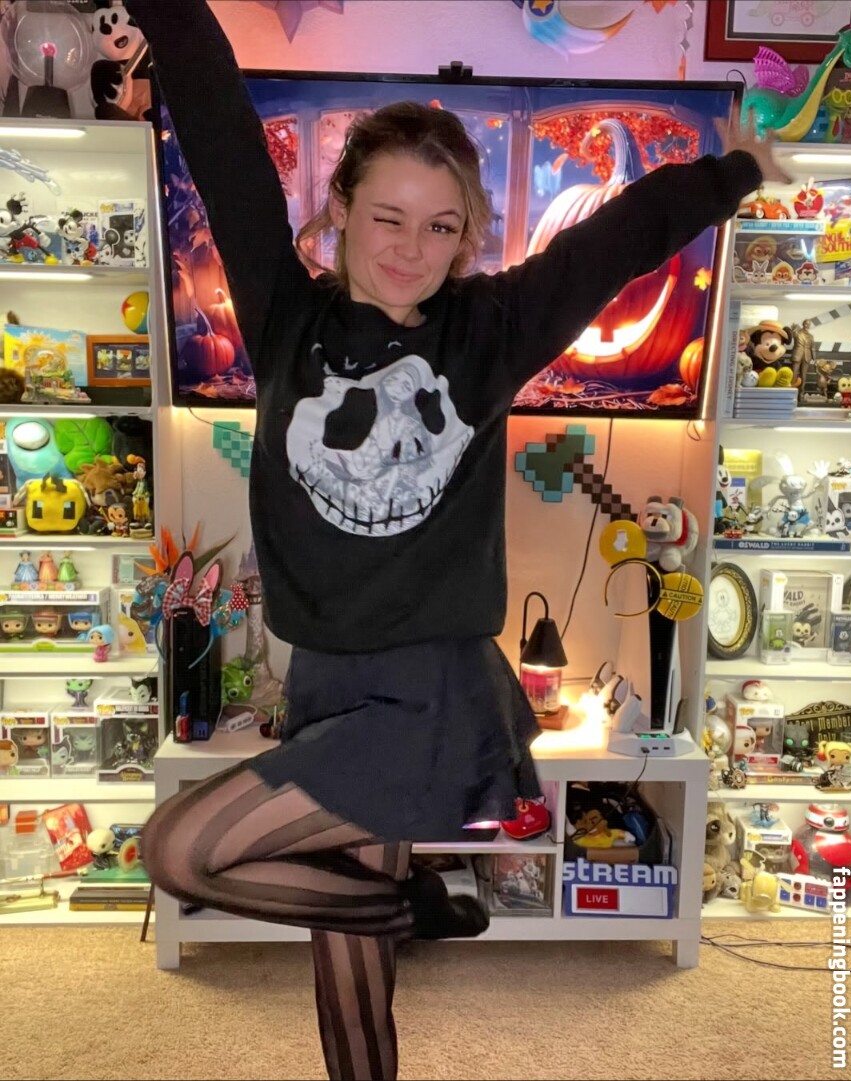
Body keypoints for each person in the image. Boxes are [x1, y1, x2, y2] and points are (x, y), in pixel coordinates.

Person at [127, 2, 788, 1078]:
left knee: (181, 850)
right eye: (389, 217)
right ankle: (401, 914)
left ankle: (408, 906)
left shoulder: (489, 330)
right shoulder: (288, 316)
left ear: (466, 234)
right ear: (341, 210)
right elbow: (217, 126)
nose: (412, 249)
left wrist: (735, 171)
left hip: (430, 693)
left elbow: (614, 241)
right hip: (324, 681)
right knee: (346, 966)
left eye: (441, 227)